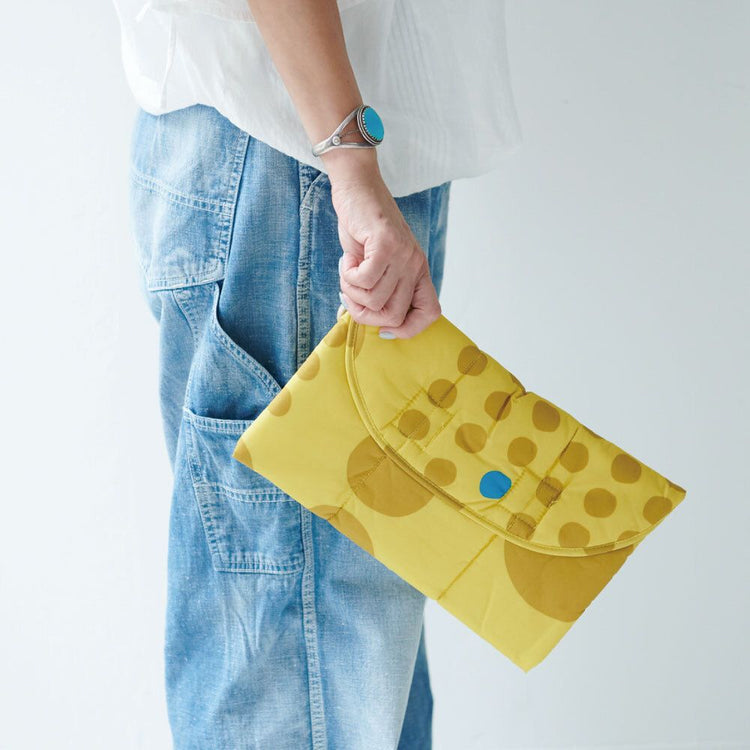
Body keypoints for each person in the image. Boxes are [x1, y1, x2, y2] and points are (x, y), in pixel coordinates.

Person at [113, 0, 522, 746]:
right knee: (301, 677)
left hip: (319, 157)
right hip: (299, 167)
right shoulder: (329, 167)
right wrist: (349, 160)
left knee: (350, 662)